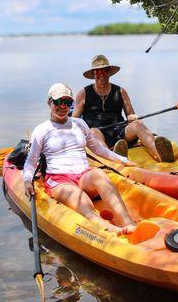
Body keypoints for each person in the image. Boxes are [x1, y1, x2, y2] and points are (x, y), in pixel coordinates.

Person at [23, 83, 138, 235]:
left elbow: (98, 149)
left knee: (99, 174)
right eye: (58, 102)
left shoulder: (80, 124)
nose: (62, 106)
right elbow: (31, 161)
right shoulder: (42, 130)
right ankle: (107, 228)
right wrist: (26, 181)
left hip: (83, 175)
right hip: (59, 180)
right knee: (77, 197)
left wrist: (122, 160)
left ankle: (128, 223)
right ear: (49, 102)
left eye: (68, 102)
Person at [72, 54, 174, 162]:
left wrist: (132, 116)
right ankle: (112, 160)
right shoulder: (83, 93)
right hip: (97, 135)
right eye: (97, 71)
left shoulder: (120, 91)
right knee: (93, 131)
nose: (101, 74)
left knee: (138, 124)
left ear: (109, 72)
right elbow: (74, 122)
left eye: (104, 70)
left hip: (119, 132)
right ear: (93, 74)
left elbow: (130, 114)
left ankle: (161, 156)